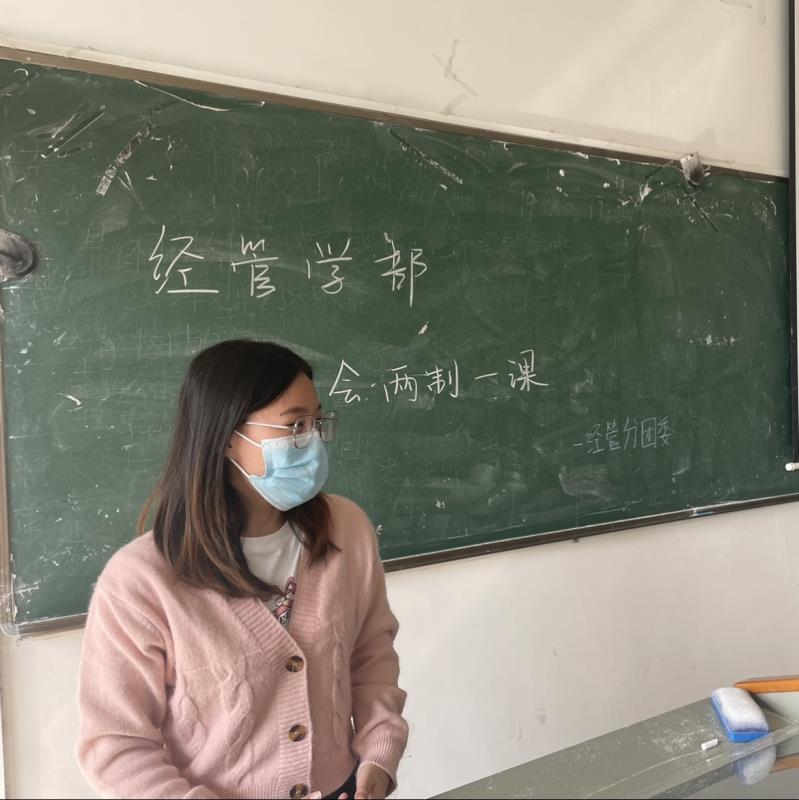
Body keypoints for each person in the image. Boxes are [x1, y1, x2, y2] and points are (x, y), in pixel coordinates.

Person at [76, 339, 408, 799]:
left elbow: (371, 654)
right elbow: (115, 745)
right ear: (227, 435)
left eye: (317, 422)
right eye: (295, 426)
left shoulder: (346, 531)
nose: (312, 440)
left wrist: (379, 752)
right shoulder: (140, 581)